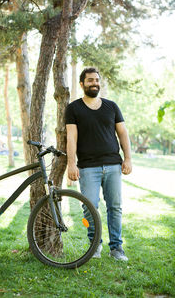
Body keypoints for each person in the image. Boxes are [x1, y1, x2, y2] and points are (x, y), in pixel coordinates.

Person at [65, 67, 132, 261]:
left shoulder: (112, 106)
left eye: (96, 80)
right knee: (89, 208)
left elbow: (123, 133)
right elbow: (71, 137)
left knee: (115, 207)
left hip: (113, 165)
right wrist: (71, 164)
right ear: (82, 84)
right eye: (90, 80)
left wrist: (128, 158)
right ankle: (94, 245)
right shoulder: (74, 108)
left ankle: (117, 248)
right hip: (87, 167)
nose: (94, 83)